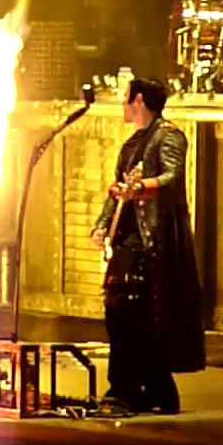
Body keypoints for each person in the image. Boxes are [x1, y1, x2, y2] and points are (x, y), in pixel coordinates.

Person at [90, 77, 205, 414]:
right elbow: (117, 189)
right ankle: (149, 388)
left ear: (139, 100)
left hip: (153, 239)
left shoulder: (169, 136)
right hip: (128, 238)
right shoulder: (131, 145)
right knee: (123, 313)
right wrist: (102, 225)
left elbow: (172, 178)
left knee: (135, 314)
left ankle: (129, 388)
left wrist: (141, 188)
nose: (122, 104)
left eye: (126, 97)